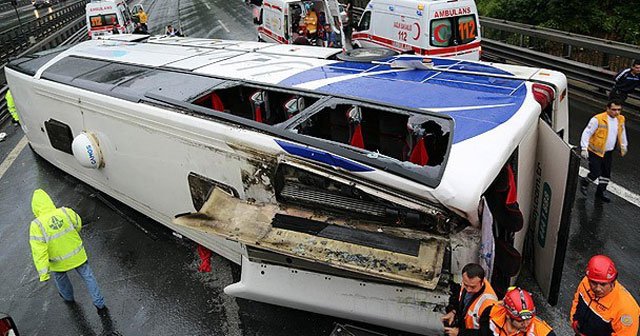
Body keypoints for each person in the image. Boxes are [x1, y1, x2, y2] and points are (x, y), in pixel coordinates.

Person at [29, 189, 107, 314]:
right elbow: (78, 224)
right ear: (49, 201)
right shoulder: (65, 211)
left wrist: (44, 273)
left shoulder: (36, 225)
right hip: (77, 254)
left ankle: (68, 298)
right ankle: (100, 303)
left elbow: (39, 251)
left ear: (35, 207)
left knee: (61, 277)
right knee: (88, 276)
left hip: (57, 261)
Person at [570, 255, 639, 336]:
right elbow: (577, 301)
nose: (597, 288)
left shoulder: (627, 309)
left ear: (612, 282)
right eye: (594, 283)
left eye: (603, 284)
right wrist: (574, 320)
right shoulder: (586, 283)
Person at [579, 100, 628, 202]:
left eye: (619, 110)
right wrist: (584, 148)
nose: (617, 112)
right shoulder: (598, 119)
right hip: (595, 152)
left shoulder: (620, 119)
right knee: (596, 172)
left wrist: (623, 145)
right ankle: (585, 182)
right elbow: (586, 133)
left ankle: (600, 192)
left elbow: (622, 132)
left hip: (608, 152)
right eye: (614, 110)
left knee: (606, 174)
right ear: (608, 109)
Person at [442, 263, 498, 336]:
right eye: (466, 285)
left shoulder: (489, 305)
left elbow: (486, 334)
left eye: (472, 287)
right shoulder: (467, 283)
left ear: (482, 283)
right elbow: (462, 303)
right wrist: (454, 312)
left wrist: (459, 333)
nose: (468, 290)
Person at [478, 287, 556, 336]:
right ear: (508, 316)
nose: (526, 324)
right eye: (520, 321)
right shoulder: (491, 313)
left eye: (528, 319)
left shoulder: (543, 332)